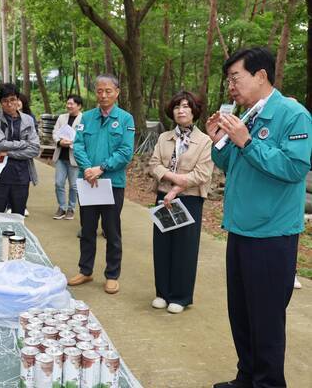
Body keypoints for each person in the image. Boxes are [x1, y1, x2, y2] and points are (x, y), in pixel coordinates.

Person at [205, 47, 312, 388]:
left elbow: (295, 168)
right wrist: (218, 141)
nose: (231, 87)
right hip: (240, 228)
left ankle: (268, 383)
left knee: (265, 319)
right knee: (242, 314)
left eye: (235, 77)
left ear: (261, 75)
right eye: (229, 80)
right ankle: (246, 377)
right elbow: (230, 165)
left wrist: (247, 142)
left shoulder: (293, 114)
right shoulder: (247, 115)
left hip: (271, 234)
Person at [148, 91, 214, 314]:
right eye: (177, 107)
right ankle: (162, 293)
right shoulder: (163, 137)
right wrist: (172, 179)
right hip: (163, 198)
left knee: (185, 248)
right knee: (163, 245)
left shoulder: (205, 141)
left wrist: (176, 187)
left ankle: (181, 296)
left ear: (194, 111)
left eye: (186, 106)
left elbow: (202, 173)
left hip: (190, 199)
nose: (181, 110)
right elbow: (154, 164)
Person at [69, 74, 134, 294]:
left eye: (108, 91)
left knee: (111, 230)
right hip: (88, 182)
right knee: (87, 229)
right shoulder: (86, 117)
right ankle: (85, 270)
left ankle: (112, 274)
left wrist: (101, 168)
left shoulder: (125, 119)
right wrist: (88, 169)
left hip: (112, 183)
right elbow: (78, 145)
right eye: (99, 90)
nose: (103, 95)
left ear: (117, 92)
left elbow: (126, 152)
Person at [0, 83, 40, 216]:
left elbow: (34, 149)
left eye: (12, 100)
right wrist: (23, 143)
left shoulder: (28, 120)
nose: (9, 104)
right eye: (5, 101)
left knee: (18, 216)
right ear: (0, 102)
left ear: (18, 100)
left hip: (21, 176)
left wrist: (8, 152)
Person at [51, 95, 83, 220]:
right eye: (68, 103)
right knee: (59, 183)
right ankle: (62, 207)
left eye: (72, 104)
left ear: (79, 106)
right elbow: (55, 132)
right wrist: (59, 142)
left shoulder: (84, 119)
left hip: (74, 156)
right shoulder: (61, 117)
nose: (69, 106)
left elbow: (84, 137)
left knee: (74, 185)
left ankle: (71, 208)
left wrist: (72, 143)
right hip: (60, 156)